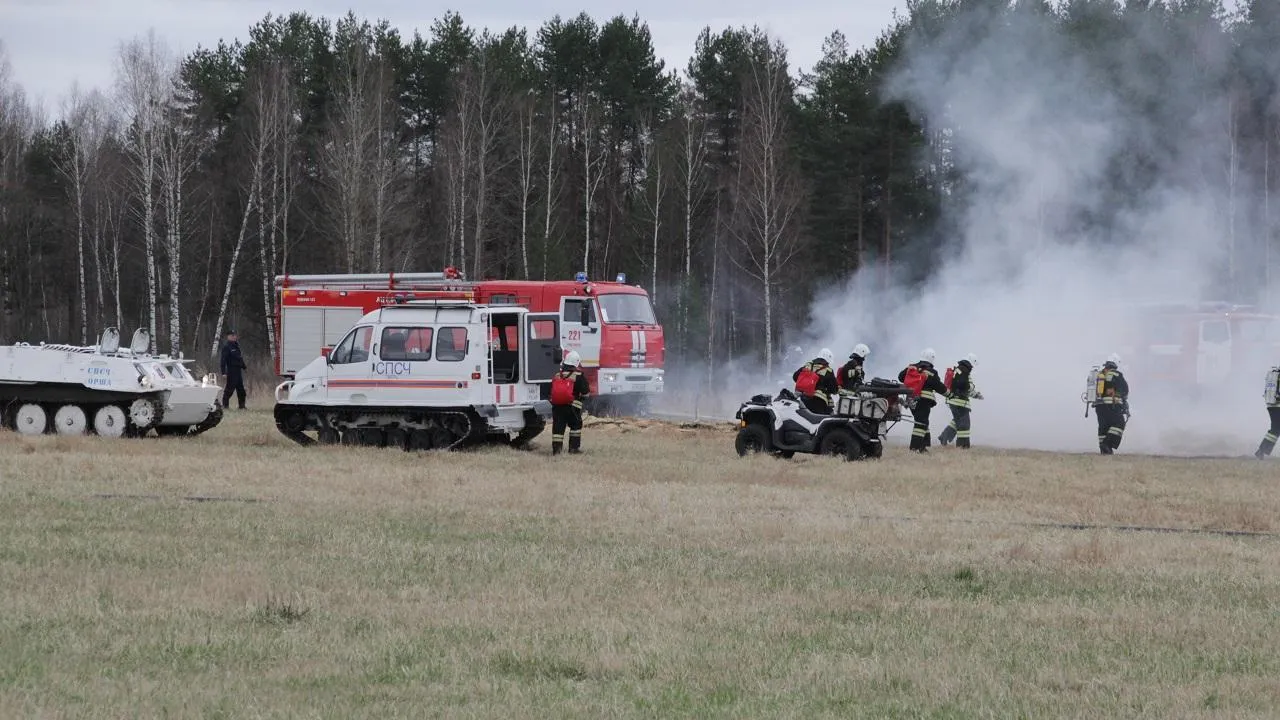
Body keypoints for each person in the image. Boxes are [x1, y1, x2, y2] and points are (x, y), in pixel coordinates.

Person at [898, 348, 948, 453]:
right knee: (921, 423)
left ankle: (924, 446)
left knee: (923, 421)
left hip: (911, 400)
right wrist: (949, 394)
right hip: (924, 401)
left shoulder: (911, 367)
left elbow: (900, 377)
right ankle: (915, 448)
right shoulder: (932, 372)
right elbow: (939, 387)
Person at [550, 350, 590, 455]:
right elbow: (585, 392)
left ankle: (556, 450)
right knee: (575, 426)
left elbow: (551, 391)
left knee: (558, 428)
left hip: (557, 406)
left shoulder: (557, 375)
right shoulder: (578, 375)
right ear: (576, 363)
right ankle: (573, 449)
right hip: (572, 407)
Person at [939, 354, 983, 448]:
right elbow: (966, 387)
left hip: (953, 401)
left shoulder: (958, 370)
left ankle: (944, 437)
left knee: (957, 421)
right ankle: (963, 445)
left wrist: (976, 395)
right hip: (960, 402)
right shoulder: (965, 371)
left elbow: (962, 387)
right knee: (965, 424)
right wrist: (974, 391)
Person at [1093, 353, 1129, 455]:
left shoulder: (1100, 374)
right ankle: (1107, 444)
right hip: (1112, 405)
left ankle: (1104, 450)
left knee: (1104, 427)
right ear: (1116, 363)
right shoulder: (1117, 375)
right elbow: (1125, 389)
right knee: (1119, 424)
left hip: (1099, 406)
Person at [792, 347, 838, 414]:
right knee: (820, 421)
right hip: (819, 401)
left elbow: (795, 376)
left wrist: (806, 382)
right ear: (828, 360)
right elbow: (834, 389)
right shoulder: (828, 371)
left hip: (804, 399)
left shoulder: (808, 366)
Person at [219, 330, 247, 410]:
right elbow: (223, 360)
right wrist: (223, 372)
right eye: (232, 335)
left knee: (241, 390)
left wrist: (244, 367)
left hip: (238, 371)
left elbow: (239, 358)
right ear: (228, 337)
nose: (234, 337)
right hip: (231, 370)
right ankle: (225, 406)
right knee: (229, 389)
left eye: (234, 335)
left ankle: (242, 406)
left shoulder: (236, 346)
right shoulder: (227, 347)